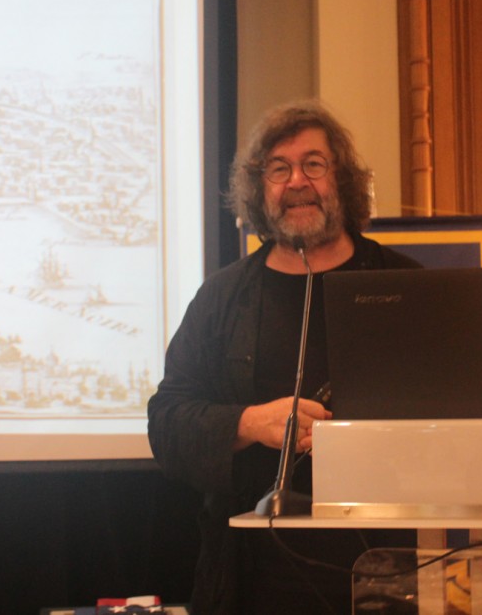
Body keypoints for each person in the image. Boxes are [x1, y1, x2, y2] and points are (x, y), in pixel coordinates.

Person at [147, 101, 419, 614]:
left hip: (384, 577)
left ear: (342, 178)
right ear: (260, 188)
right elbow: (166, 425)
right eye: (278, 168)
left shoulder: (406, 285)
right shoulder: (221, 298)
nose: (297, 181)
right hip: (248, 581)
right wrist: (251, 423)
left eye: (313, 164)